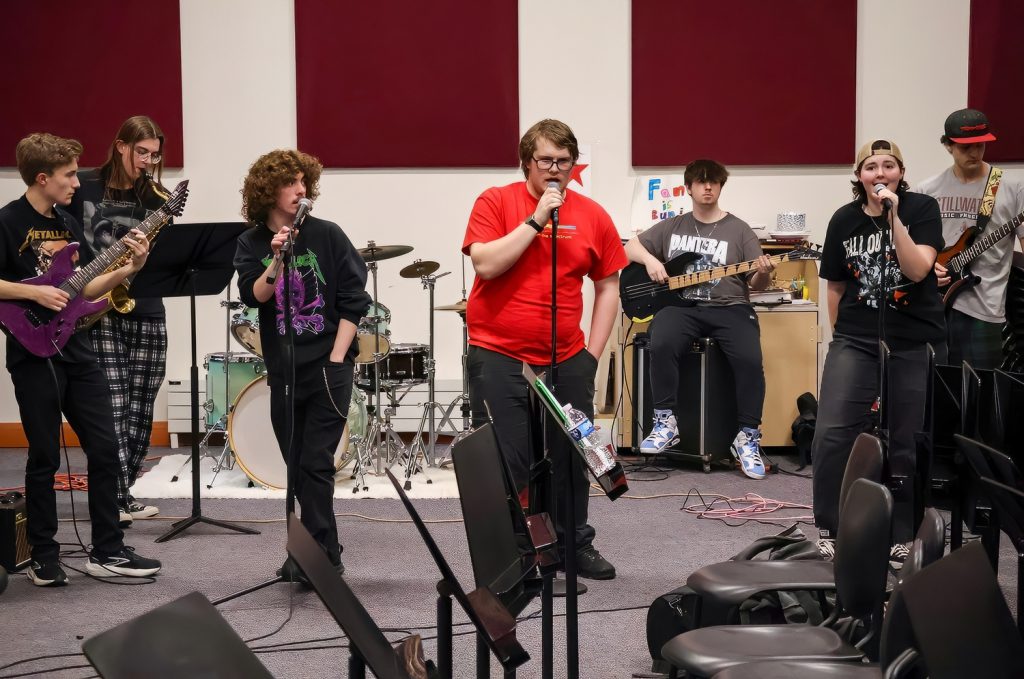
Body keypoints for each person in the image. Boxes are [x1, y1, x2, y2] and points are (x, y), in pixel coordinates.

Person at [462, 119, 626, 580]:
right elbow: (486, 264)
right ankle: (523, 554)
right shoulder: (496, 201)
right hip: (499, 354)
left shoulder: (593, 215)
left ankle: (574, 544)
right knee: (507, 460)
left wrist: (591, 354)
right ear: (526, 163)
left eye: (564, 161)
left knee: (574, 454)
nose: (555, 170)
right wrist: (536, 219)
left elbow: (608, 286)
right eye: (546, 160)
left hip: (567, 355)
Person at [0, 133, 162, 585]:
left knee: (106, 448)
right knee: (45, 456)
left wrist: (130, 267)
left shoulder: (69, 224)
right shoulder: (8, 222)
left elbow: (82, 289)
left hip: (77, 349)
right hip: (33, 354)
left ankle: (108, 549)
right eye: (69, 174)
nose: (76, 182)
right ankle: (43, 555)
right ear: (42, 177)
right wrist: (32, 290)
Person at [235, 149, 370, 580]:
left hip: (328, 368)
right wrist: (275, 258)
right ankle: (312, 552)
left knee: (315, 461)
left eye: (303, 182)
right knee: (295, 467)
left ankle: (323, 557)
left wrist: (335, 357)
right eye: (290, 183)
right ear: (267, 191)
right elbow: (254, 295)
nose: (300, 190)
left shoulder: (328, 235)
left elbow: (354, 300)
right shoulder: (251, 242)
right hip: (284, 371)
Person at [812, 139, 946, 559]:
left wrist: (895, 219)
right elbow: (834, 286)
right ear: (859, 176)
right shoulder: (843, 220)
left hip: (914, 341)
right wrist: (842, 338)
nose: (880, 173)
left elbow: (919, 268)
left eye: (889, 166)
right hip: (856, 339)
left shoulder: (922, 209)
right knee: (833, 432)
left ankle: (902, 534)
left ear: (901, 174)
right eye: (871, 167)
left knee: (907, 439)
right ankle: (833, 528)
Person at [625, 159, 775, 479]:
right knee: (660, 339)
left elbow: (755, 285)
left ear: (721, 186)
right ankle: (665, 422)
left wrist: (762, 273)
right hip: (683, 307)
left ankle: (747, 437)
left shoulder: (739, 230)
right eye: (701, 182)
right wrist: (652, 261)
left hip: (730, 307)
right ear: (689, 187)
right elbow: (630, 248)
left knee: (750, 360)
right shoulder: (673, 226)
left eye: (714, 182)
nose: (708, 187)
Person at [68, 115, 171, 526]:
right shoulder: (85, 186)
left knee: (142, 404)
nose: (147, 161)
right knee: (113, 403)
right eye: (141, 151)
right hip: (96, 310)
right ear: (121, 146)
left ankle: (123, 491)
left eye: (154, 154)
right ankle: (110, 495)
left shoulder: (159, 197)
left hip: (146, 306)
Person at [915, 108, 1024, 370]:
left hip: (984, 309)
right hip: (933, 305)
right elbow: (912, 251)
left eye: (980, 145)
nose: (974, 153)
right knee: (936, 392)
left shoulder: (1011, 188)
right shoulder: (927, 191)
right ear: (948, 146)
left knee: (981, 397)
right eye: (965, 147)